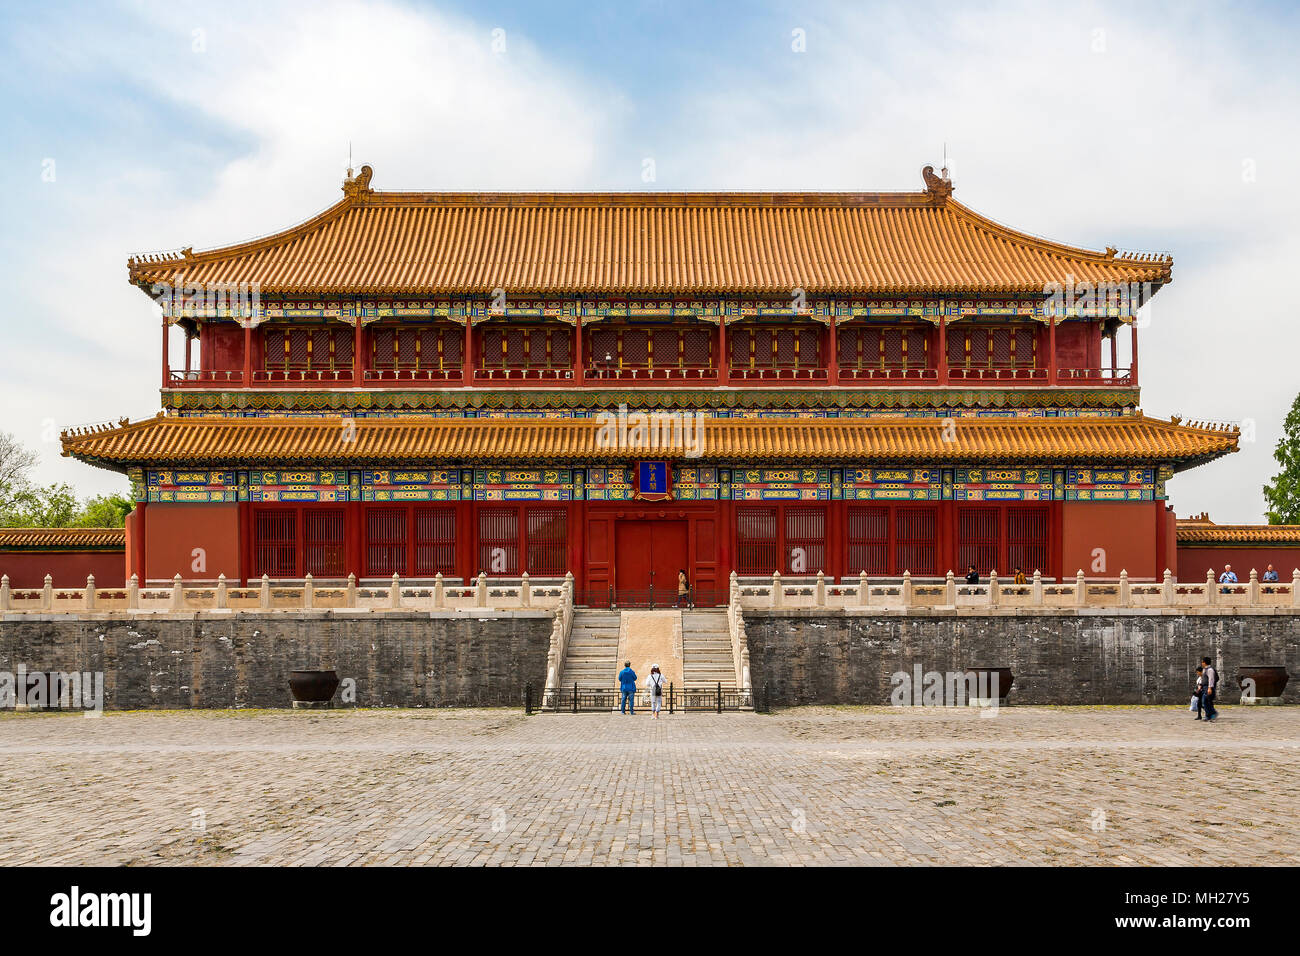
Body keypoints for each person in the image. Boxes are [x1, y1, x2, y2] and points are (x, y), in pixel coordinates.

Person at [1200, 656, 1218, 721]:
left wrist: (1209, 688)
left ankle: (1213, 713)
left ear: (1205, 662)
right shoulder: (1205, 669)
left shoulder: (1210, 670)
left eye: (1202, 662)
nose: (1201, 663)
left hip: (1208, 688)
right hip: (1205, 688)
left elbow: (1211, 679)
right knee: (1206, 702)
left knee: (1205, 701)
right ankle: (1209, 716)